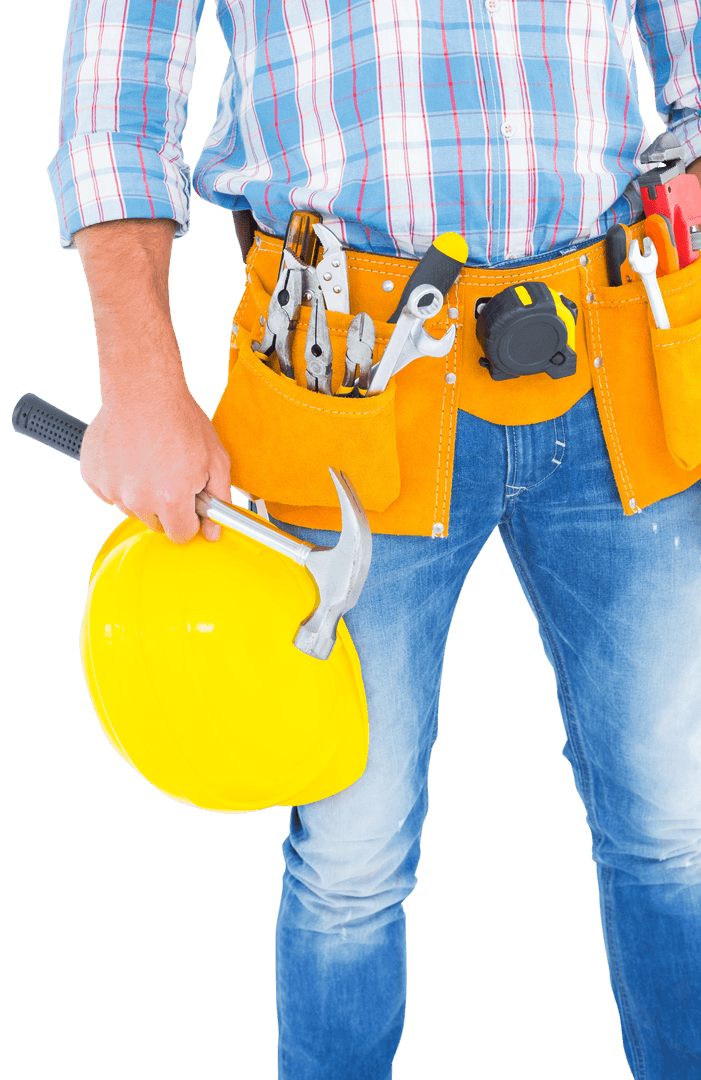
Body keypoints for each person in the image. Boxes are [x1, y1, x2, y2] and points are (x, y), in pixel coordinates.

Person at [49, 2, 701, 1077]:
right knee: (351, 860)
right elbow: (114, 101)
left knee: (677, 825)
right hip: (339, 376)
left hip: (617, 344)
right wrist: (139, 384)